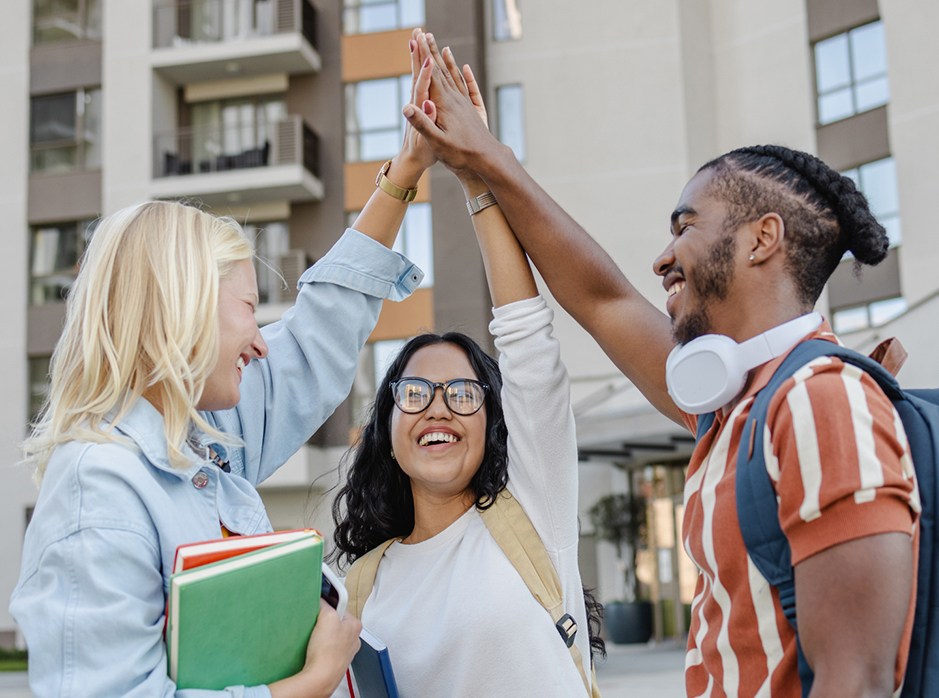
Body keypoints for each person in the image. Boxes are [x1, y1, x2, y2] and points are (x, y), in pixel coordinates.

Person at [404, 36, 919, 698]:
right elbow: (603, 300)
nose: (662, 257)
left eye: (685, 227)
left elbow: (859, 680)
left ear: (762, 238)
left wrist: (486, 159)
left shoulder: (822, 400)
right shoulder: (736, 404)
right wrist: (482, 165)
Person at [9, 32, 440, 697]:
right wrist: (313, 681)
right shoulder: (100, 490)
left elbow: (317, 336)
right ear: (181, 310)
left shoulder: (202, 445)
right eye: (248, 308)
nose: (262, 343)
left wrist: (404, 173)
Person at [331, 31, 601, 697]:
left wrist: (476, 170)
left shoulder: (531, 508)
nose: (439, 408)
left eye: (462, 393)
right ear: (386, 428)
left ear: (492, 423)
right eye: (415, 393)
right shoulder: (359, 587)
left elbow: (527, 341)